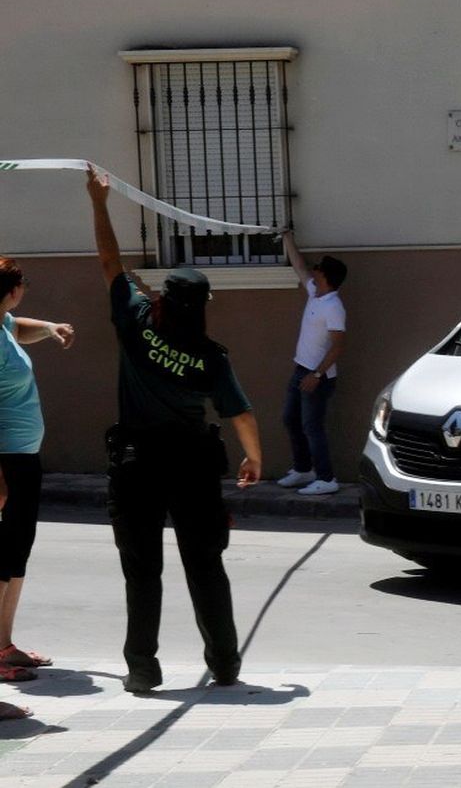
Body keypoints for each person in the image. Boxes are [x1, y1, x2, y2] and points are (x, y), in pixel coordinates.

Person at [88, 168, 263, 693]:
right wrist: (254, 457)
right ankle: (226, 663)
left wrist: (99, 203)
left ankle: (142, 669)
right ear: (204, 308)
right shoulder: (210, 356)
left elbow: (109, 262)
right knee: (205, 566)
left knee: (142, 572)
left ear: (163, 297)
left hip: (138, 464)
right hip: (191, 465)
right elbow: (240, 413)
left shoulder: (137, 319)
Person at [0, 258, 73, 719]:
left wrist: (49, 327)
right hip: (6, 462)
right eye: (23, 284)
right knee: (2, 557)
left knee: (16, 553)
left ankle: (5, 644)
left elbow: (19, 327)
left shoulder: (3, 323)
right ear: (11, 289)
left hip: (23, 457)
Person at [275, 232, 346, 496]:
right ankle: (304, 469)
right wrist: (287, 238)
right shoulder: (315, 293)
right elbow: (300, 266)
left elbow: (339, 345)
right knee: (290, 419)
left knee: (312, 427)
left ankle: (327, 478)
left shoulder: (333, 306)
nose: (313, 271)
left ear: (326, 276)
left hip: (318, 377)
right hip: (301, 369)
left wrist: (316, 374)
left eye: (318, 270)